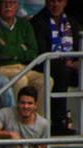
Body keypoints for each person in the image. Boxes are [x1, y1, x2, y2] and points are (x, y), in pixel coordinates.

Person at [0, 0, 50, 116]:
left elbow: (33, 52)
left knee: (46, 80)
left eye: (12, 3)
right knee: (20, 80)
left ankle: (36, 124)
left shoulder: (24, 24)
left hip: (22, 67)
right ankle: (17, 124)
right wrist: (21, 48)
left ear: (17, 5)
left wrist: (9, 48)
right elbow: (0, 52)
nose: (8, 6)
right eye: (5, 3)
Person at [30, 0, 81, 135]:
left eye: (59, 1)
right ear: (46, 2)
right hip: (46, 66)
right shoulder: (38, 22)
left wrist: (76, 62)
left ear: (65, 3)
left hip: (70, 67)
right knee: (64, 71)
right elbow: (41, 53)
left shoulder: (72, 22)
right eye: (52, 1)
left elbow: (78, 49)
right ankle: (58, 123)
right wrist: (67, 63)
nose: (55, 4)